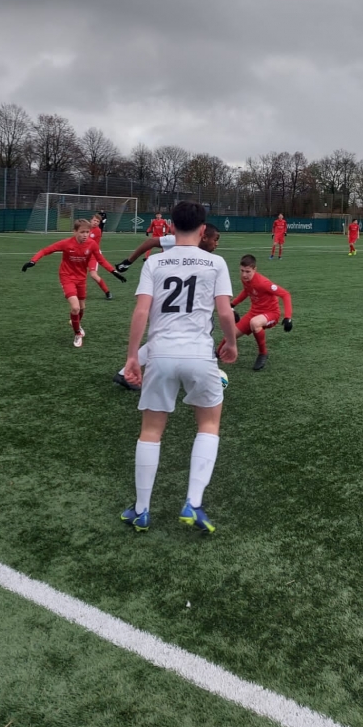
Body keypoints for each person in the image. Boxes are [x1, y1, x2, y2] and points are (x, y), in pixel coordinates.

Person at [120, 201, 238, 534]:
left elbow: (141, 312)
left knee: (151, 431)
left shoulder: (155, 262)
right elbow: (225, 312)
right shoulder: (216, 262)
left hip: (160, 354)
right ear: (203, 230)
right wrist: (231, 343)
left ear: (171, 227)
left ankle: (141, 510)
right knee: (209, 424)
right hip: (199, 355)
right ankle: (193, 503)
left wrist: (132, 356)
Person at [112, 223, 222, 390]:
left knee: (168, 336)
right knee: (171, 335)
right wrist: (128, 261)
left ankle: (126, 373)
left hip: (182, 298)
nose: (217, 244)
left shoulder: (207, 259)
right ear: (203, 236)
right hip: (169, 297)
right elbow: (151, 242)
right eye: (216, 239)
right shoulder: (179, 241)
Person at [21, 219, 126, 346]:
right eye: (82, 232)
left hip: (81, 278)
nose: (85, 235)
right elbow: (45, 250)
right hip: (67, 277)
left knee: (82, 307)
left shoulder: (92, 244)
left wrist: (114, 272)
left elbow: (101, 260)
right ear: (75, 232)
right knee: (75, 307)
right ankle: (77, 333)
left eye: (87, 232)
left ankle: (75, 323)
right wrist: (33, 261)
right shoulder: (66, 243)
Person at [219, 254, 293, 372]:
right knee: (230, 336)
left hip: (271, 313)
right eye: (242, 271)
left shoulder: (263, 283)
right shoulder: (245, 279)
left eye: (247, 271)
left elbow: (285, 294)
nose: (244, 274)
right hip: (254, 313)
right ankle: (217, 353)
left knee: (255, 323)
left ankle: (263, 353)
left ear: (255, 269)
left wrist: (288, 317)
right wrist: (233, 304)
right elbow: (246, 291)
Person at [87, 212, 113, 300]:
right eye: (94, 220)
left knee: (93, 275)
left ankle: (107, 292)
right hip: (84, 254)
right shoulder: (86, 227)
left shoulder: (97, 231)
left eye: (97, 221)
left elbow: (89, 243)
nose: (95, 222)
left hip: (93, 255)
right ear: (91, 220)